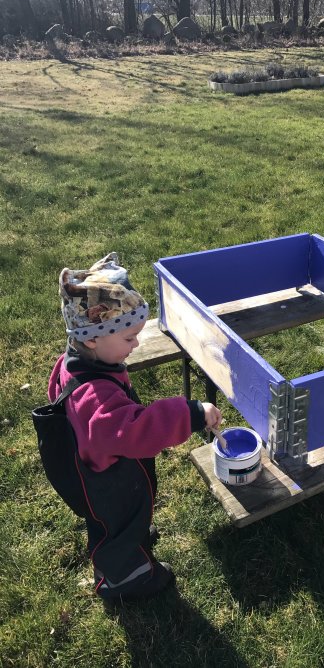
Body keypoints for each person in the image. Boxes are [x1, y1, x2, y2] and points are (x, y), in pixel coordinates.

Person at [48, 252, 222, 601]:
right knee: (116, 530)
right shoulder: (94, 395)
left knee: (122, 523)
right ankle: (126, 579)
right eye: (129, 338)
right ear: (94, 337)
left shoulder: (81, 362)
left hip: (100, 466)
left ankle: (133, 538)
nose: (136, 344)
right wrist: (190, 413)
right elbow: (132, 432)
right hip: (109, 481)